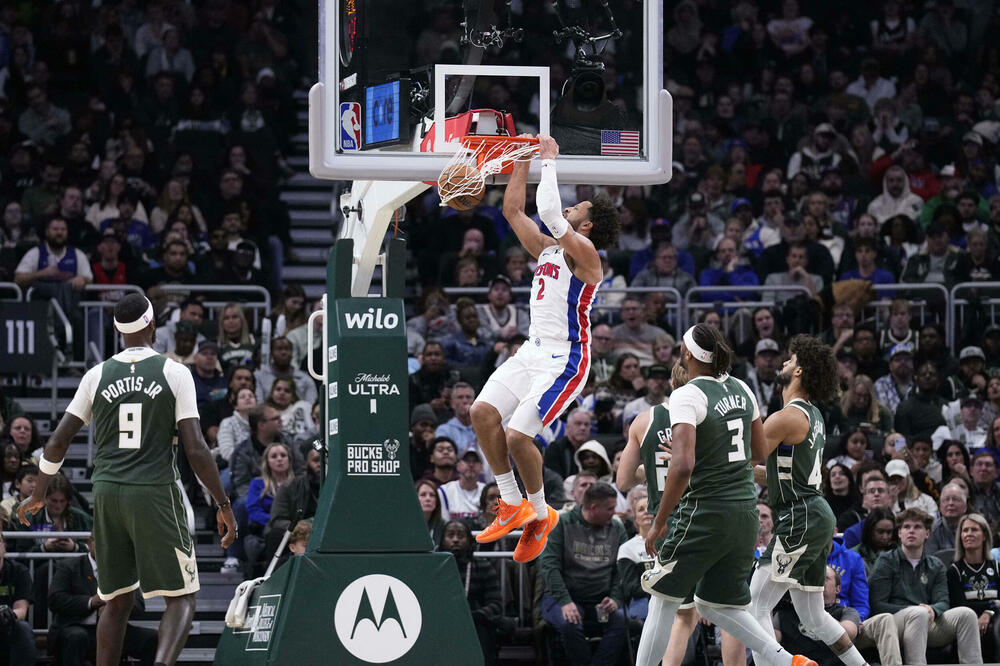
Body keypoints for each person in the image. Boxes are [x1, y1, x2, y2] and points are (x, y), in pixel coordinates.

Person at [16, 293, 237, 666]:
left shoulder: (96, 374)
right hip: (153, 490)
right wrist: (223, 504)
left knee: (116, 600)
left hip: (106, 492)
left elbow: (56, 442)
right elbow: (196, 449)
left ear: (118, 331)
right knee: (182, 596)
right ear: (152, 325)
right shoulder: (174, 372)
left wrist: (38, 492)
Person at [467, 135, 620, 564]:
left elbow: (551, 212)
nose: (570, 210)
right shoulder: (548, 250)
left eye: (578, 210)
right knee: (482, 414)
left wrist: (549, 160)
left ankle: (539, 512)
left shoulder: (586, 254)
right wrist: (520, 160)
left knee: (517, 435)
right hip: (532, 351)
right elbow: (512, 210)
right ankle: (513, 502)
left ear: (586, 226)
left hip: (566, 357)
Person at [641, 323, 815, 666]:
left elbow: (682, 466)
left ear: (687, 353)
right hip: (745, 512)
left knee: (662, 598)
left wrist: (658, 522)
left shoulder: (686, 394)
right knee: (714, 605)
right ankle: (785, 661)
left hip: (705, 511)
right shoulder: (743, 388)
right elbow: (759, 452)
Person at [750, 334, 868, 666]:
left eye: (789, 360)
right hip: (813, 513)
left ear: (800, 370)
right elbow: (770, 474)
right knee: (814, 616)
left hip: (799, 516)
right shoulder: (812, 415)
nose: (784, 363)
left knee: (755, 606)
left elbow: (738, 458)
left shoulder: (785, 417)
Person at [868, 508, 983, 664]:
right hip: (894, 625)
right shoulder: (886, 561)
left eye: (917, 527)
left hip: (927, 622)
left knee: (966, 614)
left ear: (927, 534)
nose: (911, 531)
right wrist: (913, 611)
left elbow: (943, 601)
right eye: (906, 527)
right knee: (918, 613)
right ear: (899, 533)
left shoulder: (936, 565)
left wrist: (933, 609)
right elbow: (877, 605)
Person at [538, 482, 628, 663]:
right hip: (563, 596)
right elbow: (549, 566)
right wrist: (565, 601)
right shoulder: (561, 524)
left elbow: (622, 568)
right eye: (610, 508)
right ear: (594, 507)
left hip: (601, 598)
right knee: (570, 623)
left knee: (622, 621)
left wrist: (616, 598)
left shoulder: (617, 528)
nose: (614, 513)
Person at [47, 536, 158, 666]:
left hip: (114, 628)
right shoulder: (69, 566)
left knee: (151, 638)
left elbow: (139, 606)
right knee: (76, 637)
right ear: (89, 542)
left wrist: (117, 605)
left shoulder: (123, 569)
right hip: (77, 626)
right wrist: (91, 602)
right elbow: (55, 599)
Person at [440, 520, 504, 665]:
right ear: (442, 541)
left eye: (461, 535)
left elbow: (496, 604)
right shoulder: (434, 569)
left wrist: (474, 616)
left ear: (469, 541)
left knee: (483, 629)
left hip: (476, 623)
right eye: (450, 535)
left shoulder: (483, 566)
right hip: (443, 622)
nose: (455, 539)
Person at [947, 512, 1000, 660]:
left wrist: (988, 613)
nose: (969, 534)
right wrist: (993, 605)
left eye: (974, 530)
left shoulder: (996, 567)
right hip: (967, 623)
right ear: (960, 537)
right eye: (965, 530)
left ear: (984, 536)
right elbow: (960, 605)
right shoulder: (954, 571)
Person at [0, 534, 37, 664]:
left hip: (6, 624)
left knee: (22, 627)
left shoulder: (19, 571)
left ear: (4, 546)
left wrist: (7, 614)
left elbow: (21, 610)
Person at [254, 336, 317, 407]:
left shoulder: (305, 379)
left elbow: (311, 406)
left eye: (287, 349)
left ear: (292, 353)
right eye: (279, 349)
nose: (283, 352)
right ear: (271, 353)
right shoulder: (259, 376)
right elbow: (258, 404)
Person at [438, 449, 486, 520]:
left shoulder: (487, 491)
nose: (471, 465)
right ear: (458, 466)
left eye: (475, 461)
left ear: (481, 467)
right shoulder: (444, 491)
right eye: (467, 461)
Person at [851, 507, 897, 575]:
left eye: (889, 532)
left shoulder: (899, 553)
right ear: (870, 530)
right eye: (880, 532)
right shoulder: (853, 555)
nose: (885, 537)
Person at [927, 482, 969, 552]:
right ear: (940, 506)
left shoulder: (972, 528)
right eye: (946, 499)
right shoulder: (932, 529)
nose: (950, 503)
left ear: (965, 507)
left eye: (955, 499)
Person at [416, 479, 446, 544]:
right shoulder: (408, 526)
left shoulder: (443, 526)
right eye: (423, 495)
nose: (428, 499)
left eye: (432, 495)